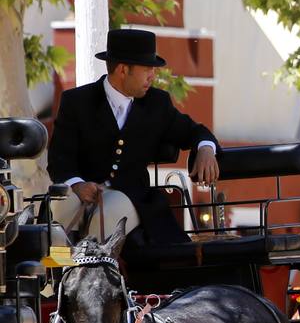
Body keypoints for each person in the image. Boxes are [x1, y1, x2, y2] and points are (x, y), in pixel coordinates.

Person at [47, 28, 220, 243]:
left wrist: (205, 148)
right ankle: (59, 272)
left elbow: (195, 131)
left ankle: (89, 274)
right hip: (79, 190)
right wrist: (77, 184)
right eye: (147, 68)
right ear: (122, 70)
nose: (152, 75)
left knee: (107, 215)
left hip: (132, 197)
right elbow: (58, 159)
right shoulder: (77, 102)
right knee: (59, 209)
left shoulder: (157, 104)